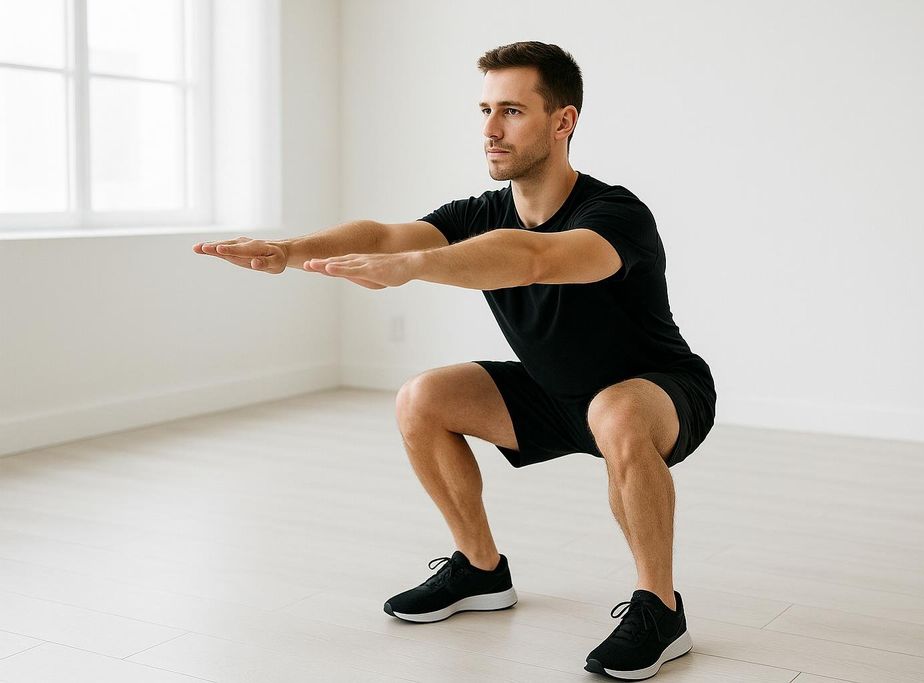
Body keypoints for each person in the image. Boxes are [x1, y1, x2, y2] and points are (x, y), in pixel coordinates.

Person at [194, 40, 715, 681]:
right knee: (423, 397)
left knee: (616, 411)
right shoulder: (477, 213)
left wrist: (414, 267)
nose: (491, 130)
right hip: (554, 393)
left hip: (656, 393)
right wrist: (291, 250)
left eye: (513, 112)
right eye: (485, 110)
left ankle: (660, 612)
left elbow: (534, 258)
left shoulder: (616, 214)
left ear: (563, 122)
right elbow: (384, 235)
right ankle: (480, 570)